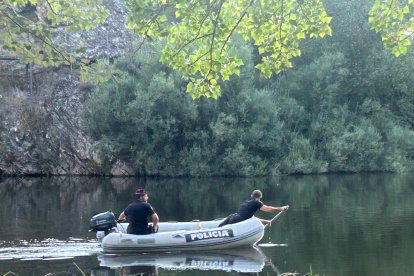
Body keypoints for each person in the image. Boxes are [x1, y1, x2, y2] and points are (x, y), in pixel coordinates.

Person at [219, 189, 289, 227]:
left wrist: (265, 221)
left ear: (252, 195)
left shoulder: (248, 201)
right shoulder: (257, 203)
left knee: (219, 228)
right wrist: (281, 208)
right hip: (237, 219)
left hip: (232, 216)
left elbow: (253, 218)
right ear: (260, 197)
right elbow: (269, 209)